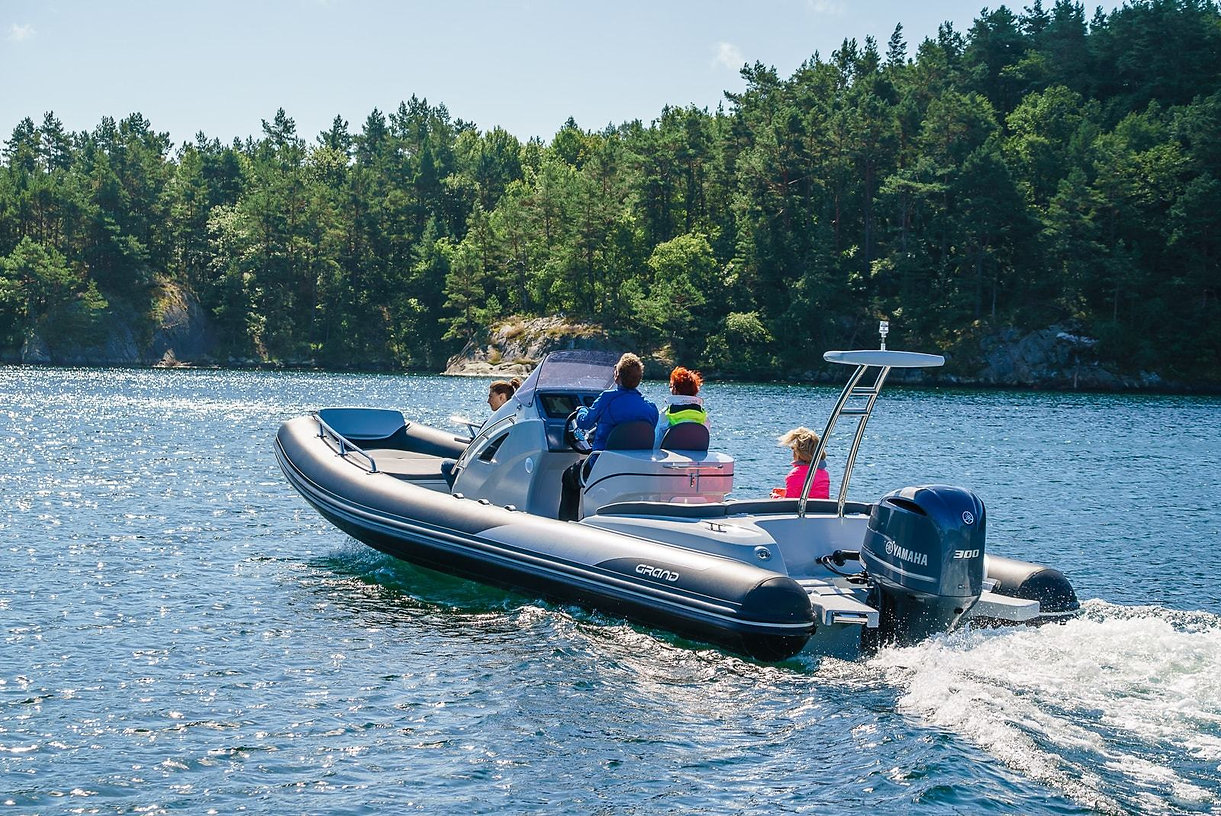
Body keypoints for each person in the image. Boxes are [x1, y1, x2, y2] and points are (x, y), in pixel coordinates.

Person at [559, 353, 658, 521]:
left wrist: (581, 410)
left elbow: (584, 423)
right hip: (634, 470)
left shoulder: (607, 398)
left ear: (617, 375)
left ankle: (567, 524)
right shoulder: (651, 409)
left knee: (569, 477)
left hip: (602, 467)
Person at [655, 366, 708, 447]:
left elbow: (656, 443)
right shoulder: (704, 417)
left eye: (671, 386)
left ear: (675, 389)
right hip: (696, 454)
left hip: (670, 455)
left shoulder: (664, 415)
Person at [772, 426, 830, 499]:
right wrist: (785, 492)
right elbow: (813, 494)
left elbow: (789, 502)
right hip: (820, 506)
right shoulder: (824, 474)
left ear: (797, 452)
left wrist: (776, 497)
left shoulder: (795, 474)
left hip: (803, 506)